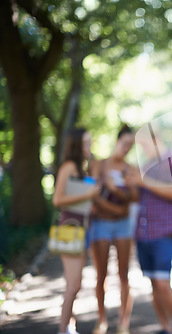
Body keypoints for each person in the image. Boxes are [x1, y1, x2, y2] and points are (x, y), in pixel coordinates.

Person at [126, 134, 172, 334]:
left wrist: (143, 182)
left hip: (165, 233)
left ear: (156, 139)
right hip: (143, 233)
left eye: (144, 145)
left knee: (162, 284)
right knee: (153, 283)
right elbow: (138, 199)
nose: (142, 150)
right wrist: (131, 184)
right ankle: (165, 328)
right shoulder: (146, 166)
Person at [88, 125, 136, 334]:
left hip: (123, 225)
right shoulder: (99, 165)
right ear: (117, 141)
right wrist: (116, 208)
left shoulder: (131, 169)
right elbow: (92, 195)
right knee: (101, 275)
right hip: (101, 225)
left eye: (130, 145)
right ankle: (102, 321)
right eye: (125, 143)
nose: (127, 148)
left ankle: (123, 324)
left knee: (124, 275)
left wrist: (119, 190)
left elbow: (134, 197)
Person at [52, 128, 100, 334]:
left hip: (82, 230)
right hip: (70, 230)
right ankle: (63, 330)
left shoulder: (82, 168)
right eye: (86, 142)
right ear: (77, 145)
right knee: (73, 285)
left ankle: (69, 326)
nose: (90, 146)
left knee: (75, 284)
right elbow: (57, 200)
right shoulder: (69, 167)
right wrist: (87, 193)